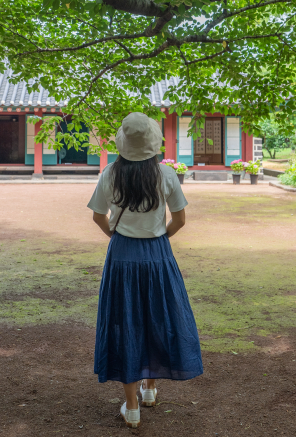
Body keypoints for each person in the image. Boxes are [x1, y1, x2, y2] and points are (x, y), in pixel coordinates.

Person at [87, 112, 203, 428]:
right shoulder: (165, 175)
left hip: (122, 253)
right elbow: (179, 220)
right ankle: (150, 387)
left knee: (125, 322)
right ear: (152, 143)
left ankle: (132, 406)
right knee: (157, 316)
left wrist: (117, 235)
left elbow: (98, 216)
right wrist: (160, 238)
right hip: (158, 253)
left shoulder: (109, 173)